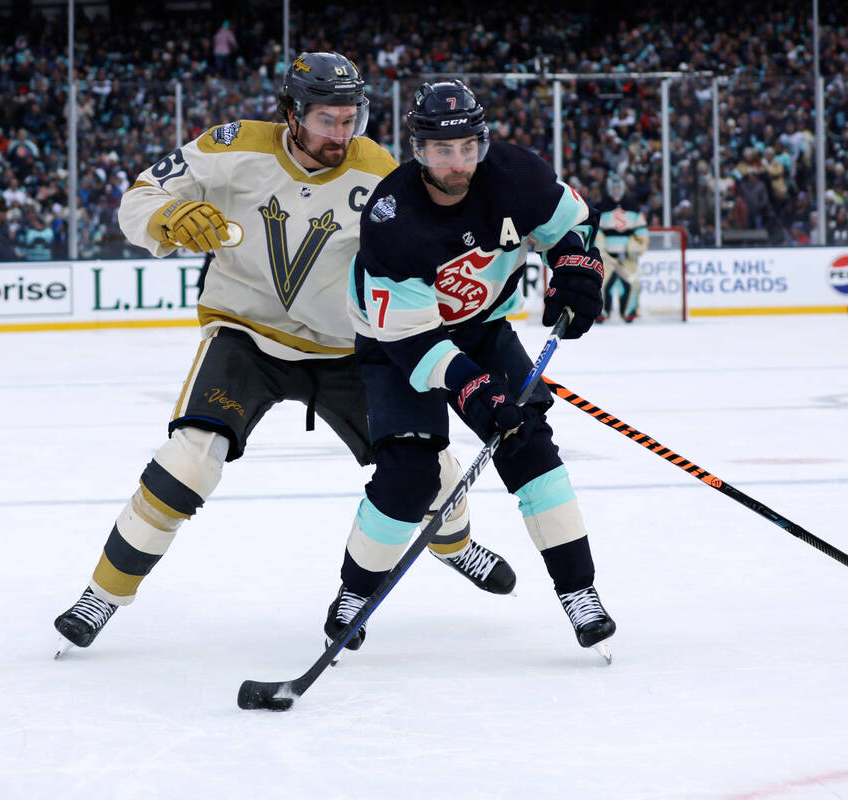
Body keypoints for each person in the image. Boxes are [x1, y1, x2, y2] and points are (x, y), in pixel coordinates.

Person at [54, 53, 516, 655]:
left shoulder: (380, 171)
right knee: (190, 460)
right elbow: (138, 199)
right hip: (246, 335)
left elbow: (429, 252)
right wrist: (168, 214)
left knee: (430, 468)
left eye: (351, 118)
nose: (342, 134)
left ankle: (454, 546)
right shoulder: (229, 148)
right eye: (328, 119)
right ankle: (103, 594)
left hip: (351, 345)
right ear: (291, 114)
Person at [330, 79, 616, 658]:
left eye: (467, 148)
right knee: (409, 476)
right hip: (396, 342)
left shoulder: (517, 175)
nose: (458, 164)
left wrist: (577, 272)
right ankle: (354, 595)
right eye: (442, 150)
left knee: (529, 444)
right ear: (419, 150)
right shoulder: (391, 217)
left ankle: (579, 592)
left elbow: (572, 229)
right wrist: (474, 388)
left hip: (481, 327)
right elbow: (412, 339)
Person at [594, 173, 649, 323]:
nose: (616, 191)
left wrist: (639, 245)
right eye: (614, 187)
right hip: (607, 256)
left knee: (632, 284)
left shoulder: (633, 206)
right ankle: (601, 312)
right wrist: (599, 244)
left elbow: (641, 230)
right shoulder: (601, 206)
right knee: (601, 283)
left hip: (628, 257)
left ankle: (629, 311)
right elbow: (596, 229)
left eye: (619, 187)